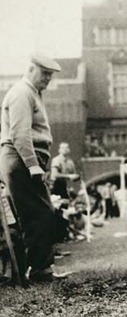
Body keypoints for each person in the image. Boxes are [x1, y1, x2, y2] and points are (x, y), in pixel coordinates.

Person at [0, 53, 68, 282]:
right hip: (21, 159)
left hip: (25, 160)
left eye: (51, 74)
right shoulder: (22, 92)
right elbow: (19, 133)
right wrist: (32, 164)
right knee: (39, 214)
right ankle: (39, 270)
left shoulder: (32, 93)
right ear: (31, 69)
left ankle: (38, 268)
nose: (48, 78)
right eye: (45, 73)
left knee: (39, 213)